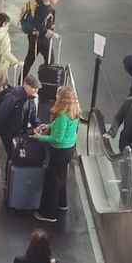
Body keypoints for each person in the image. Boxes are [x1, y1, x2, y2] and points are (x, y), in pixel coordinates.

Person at [33, 83, 80, 224]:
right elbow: (63, 130)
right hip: (69, 149)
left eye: (57, 95)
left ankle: (48, 213)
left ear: (62, 99)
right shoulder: (74, 111)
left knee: (52, 181)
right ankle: (62, 203)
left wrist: (39, 137)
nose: (55, 96)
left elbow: (57, 138)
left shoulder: (62, 116)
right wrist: (49, 126)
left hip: (59, 151)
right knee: (62, 176)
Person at [0, 74, 41, 153]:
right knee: (12, 152)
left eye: (37, 88)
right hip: (8, 132)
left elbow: (32, 114)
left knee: (16, 152)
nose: (36, 90)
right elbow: (0, 115)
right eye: (33, 88)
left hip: (20, 131)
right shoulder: (13, 97)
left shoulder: (30, 97)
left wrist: (37, 126)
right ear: (25, 85)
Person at [18, 0, 62, 80]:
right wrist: (51, 34)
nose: (57, 0)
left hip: (33, 37)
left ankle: (20, 81)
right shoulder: (43, 8)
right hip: (40, 39)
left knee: (29, 60)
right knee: (50, 61)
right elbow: (38, 25)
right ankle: (45, 82)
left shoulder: (38, 0)